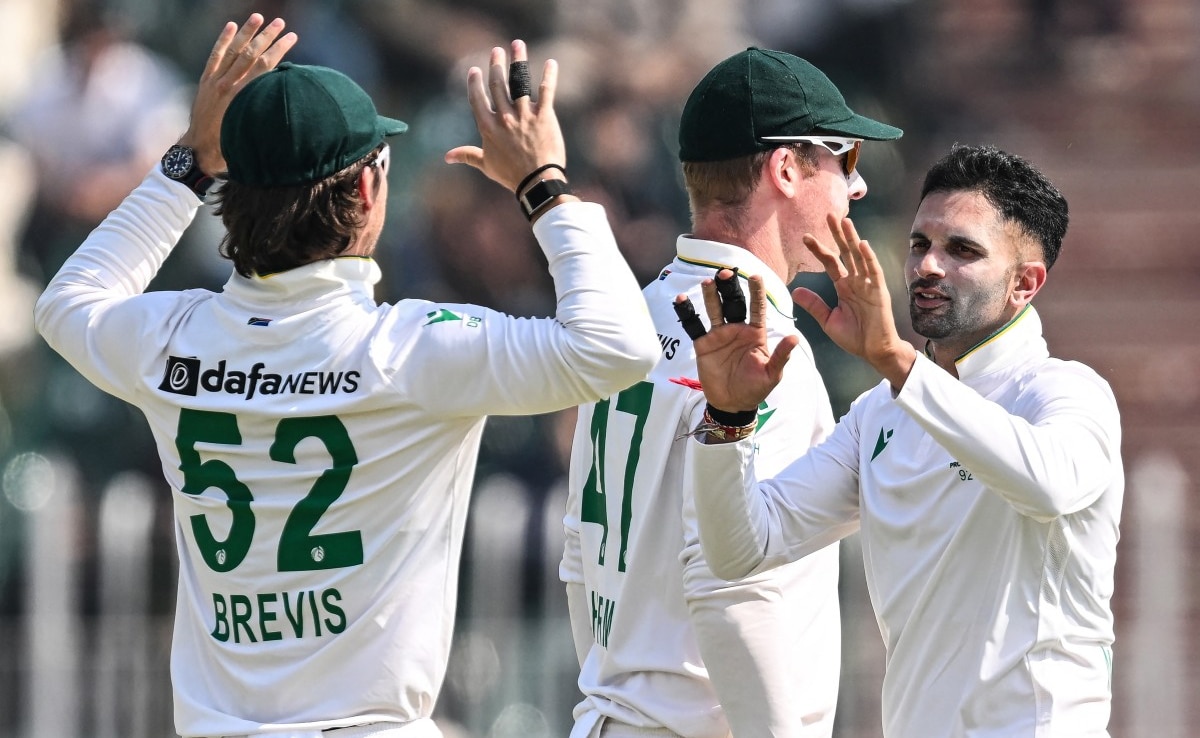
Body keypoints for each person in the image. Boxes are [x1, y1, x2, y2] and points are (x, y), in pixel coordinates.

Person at [34, 14, 659, 738]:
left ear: (231, 192)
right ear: (367, 188)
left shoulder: (172, 337)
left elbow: (66, 302)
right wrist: (543, 185)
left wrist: (189, 159)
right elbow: (618, 347)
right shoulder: (410, 350)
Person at [678, 144, 1123, 737]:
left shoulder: (1066, 391)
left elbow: (1048, 486)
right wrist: (729, 418)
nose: (927, 266)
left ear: (1025, 283)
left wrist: (897, 362)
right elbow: (742, 549)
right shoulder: (881, 413)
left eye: (962, 250)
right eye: (919, 244)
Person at [560, 48, 902, 738]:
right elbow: (730, 585)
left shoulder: (632, 321)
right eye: (844, 158)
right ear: (785, 169)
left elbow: (577, 557)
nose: (857, 186)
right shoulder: (764, 349)